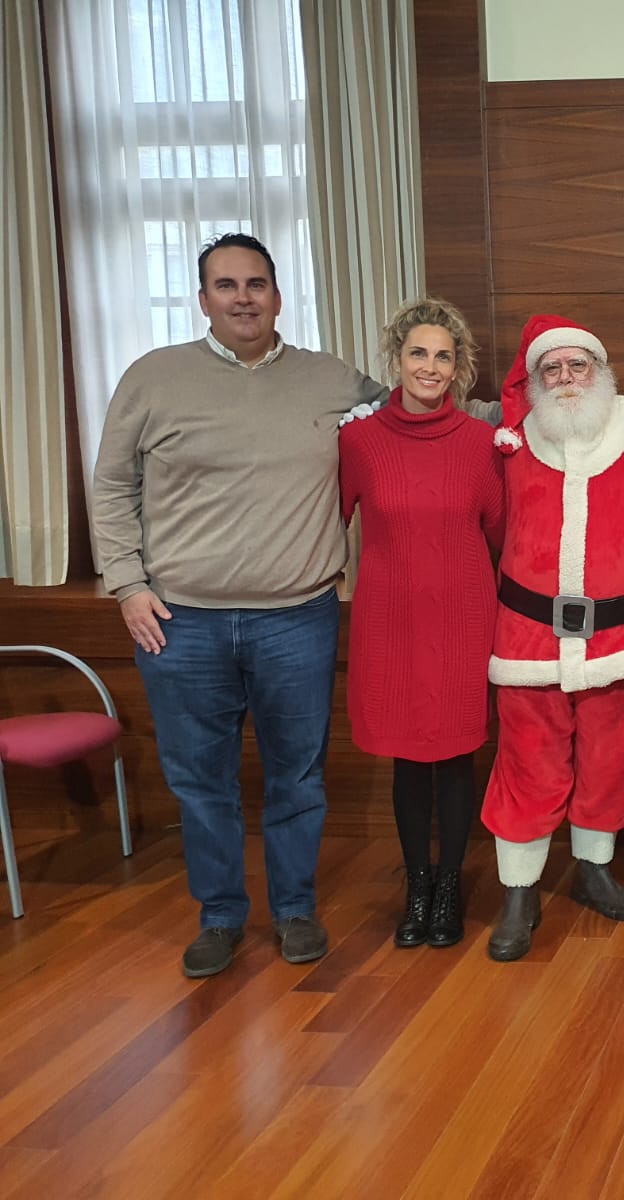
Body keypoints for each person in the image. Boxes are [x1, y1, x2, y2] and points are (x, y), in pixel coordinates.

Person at [92, 232, 387, 978]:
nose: (243, 297)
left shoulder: (330, 379)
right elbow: (111, 485)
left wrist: (521, 409)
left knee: (299, 774)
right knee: (201, 780)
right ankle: (220, 916)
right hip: (179, 622)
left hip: (299, 616)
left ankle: (294, 910)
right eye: (226, 286)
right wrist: (127, 584)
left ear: (279, 296)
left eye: (256, 283)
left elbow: (416, 414)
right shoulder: (152, 378)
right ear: (203, 300)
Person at [480, 313, 624, 962]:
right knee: (527, 763)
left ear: (601, 369)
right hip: (527, 636)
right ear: (534, 379)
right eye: (550, 369)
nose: (565, 379)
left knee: (613, 760)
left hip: (622, 637)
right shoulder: (508, 437)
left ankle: (593, 870)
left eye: (576, 365)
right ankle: (519, 890)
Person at [339, 298, 504, 950]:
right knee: (409, 760)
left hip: (463, 618)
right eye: (418, 353)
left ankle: (448, 890)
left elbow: (500, 534)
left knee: (458, 755)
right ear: (396, 360)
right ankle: (416, 886)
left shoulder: (483, 445)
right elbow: (327, 522)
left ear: (458, 366)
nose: (430, 367)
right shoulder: (358, 440)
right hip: (390, 622)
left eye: (443, 355)